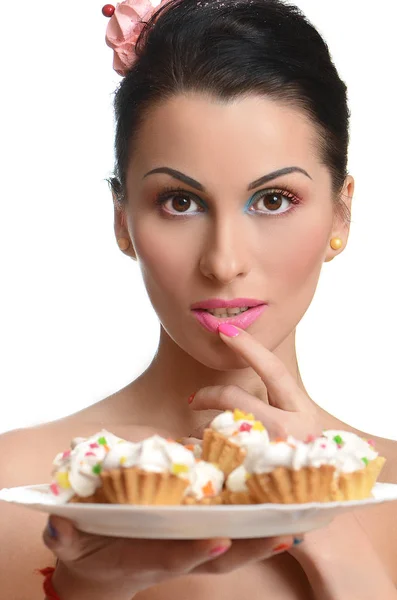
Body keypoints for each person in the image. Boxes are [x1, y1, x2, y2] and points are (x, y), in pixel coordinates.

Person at [0, 0, 396, 598]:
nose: (223, 261)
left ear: (341, 213)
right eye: (179, 202)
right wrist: (86, 590)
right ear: (122, 221)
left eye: (273, 200)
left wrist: (327, 521)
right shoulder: (20, 486)